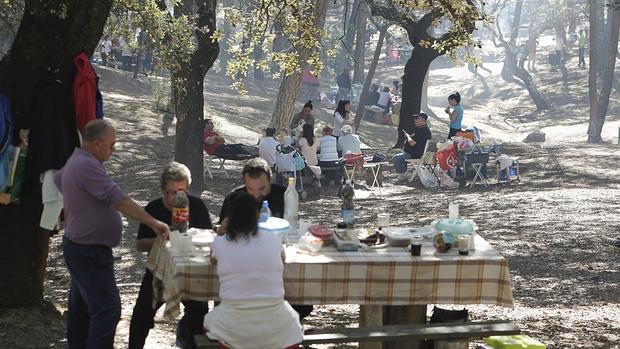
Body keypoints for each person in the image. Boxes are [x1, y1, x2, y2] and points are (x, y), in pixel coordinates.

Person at [53, 119, 170, 348]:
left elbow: (59, 180)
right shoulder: (86, 165)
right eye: (112, 144)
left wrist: (77, 204)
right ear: (97, 143)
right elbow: (121, 201)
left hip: (80, 246)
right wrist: (154, 222)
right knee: (107, 309)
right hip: (89, 251)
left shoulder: (78, 160)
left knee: (81, 308)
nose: (113, 150)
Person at [217, 158, 315, 322]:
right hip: (242, 266)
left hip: (278, 263)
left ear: (270, 181)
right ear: (244, 184)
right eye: (250, 189)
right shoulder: (235, 199)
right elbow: (222, 233)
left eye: (262, 188)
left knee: (301, 299)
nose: (256, 195)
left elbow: (292, 227)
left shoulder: (284, 195)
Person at [128, 162, 212, 349]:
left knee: (199, 319)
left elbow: (209, 240)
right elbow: (140, 244)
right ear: (162, 190)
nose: (174, 197)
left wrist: (189, 238)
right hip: (160, 271)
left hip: (192, 273)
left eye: (179, 192)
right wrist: (163, 239)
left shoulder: (196, 206)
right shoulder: (154, 208)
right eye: (169, 192)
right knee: (141, 316)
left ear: (187, 189)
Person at [205, 191, 303, 349]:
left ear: (230, 218)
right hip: (277, 324)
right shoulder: (272, 238)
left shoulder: (220, 243)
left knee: (210, 322)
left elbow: (212, 259)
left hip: (233, 324)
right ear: (257, 215)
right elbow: (282, 258)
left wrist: (221, 229)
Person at [392, 113, 432, 181]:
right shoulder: (423, 129)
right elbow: (416, 140)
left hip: (415, 154)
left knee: (396, 158)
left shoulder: (423, 131)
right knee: (401, 155)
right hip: (415, 152)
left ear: (422, 120)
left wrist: (407, 137)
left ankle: (402, 174)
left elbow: (412, 143)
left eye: (416, 118)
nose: (415, 120)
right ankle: (403, 173)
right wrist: (410, 136)